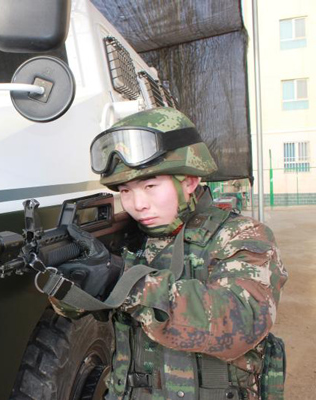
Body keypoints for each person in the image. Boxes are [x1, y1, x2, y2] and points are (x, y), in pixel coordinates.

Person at [46, 107, 288, 400]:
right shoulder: (129, 240)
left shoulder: (241, 236)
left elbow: (241, 324)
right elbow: (76, 311)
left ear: (189, 180)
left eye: (150, 186)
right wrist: (73, 280)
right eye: (125, 190)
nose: (138, 204)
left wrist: (124, 281)